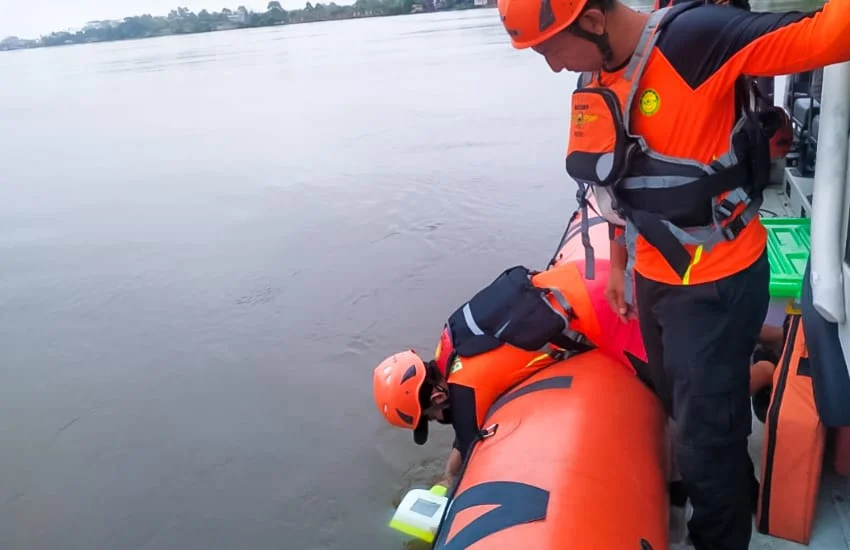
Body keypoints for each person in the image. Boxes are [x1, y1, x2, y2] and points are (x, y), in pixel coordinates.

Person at [495, 0, 850, 547]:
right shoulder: (601, 70)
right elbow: (623, 182)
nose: (553, 66)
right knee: (682, 407)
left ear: (592, 21)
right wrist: (618, 265)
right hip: (655, 278)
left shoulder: (697, 41)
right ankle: (747, 413)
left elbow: (827, 35)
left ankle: (722, 531)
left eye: (549, 49)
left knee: (705, 447)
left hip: (719, 282)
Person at [372, 257, 648, 490]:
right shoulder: (452, 339)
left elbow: (468, 446)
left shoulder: (465, 387)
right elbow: (463, 430)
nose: (438, 419)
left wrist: (449, 485)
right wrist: (447, 473)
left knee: (679, 394)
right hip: (584, 273)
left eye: (431, 417)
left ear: (435, 396)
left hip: (605, 308)